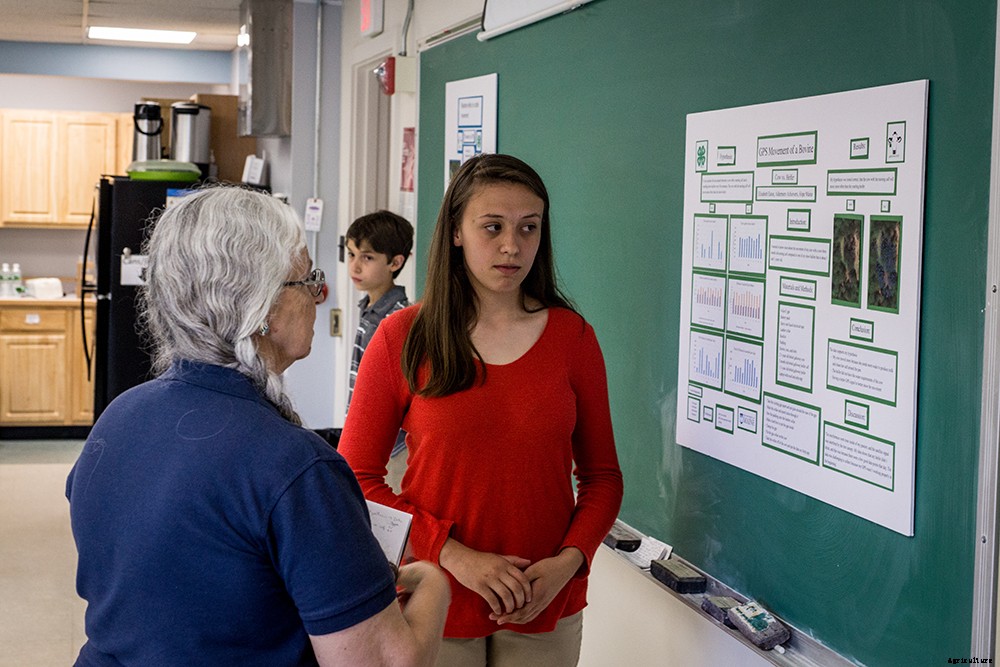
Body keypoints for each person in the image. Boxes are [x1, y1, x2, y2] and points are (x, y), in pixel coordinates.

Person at [66, 186, 449, 667]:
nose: (318, 293)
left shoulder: (120, 417)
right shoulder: (296, 468)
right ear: (262, 307)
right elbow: (387, 663)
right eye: (308, 279)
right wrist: (433, 582)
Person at [339, 154, 624, 666]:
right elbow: (356, 477)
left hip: (545, 606)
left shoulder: (572, 338)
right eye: (492, 227)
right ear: (455, 231)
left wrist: (568, 562)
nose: (512, 246)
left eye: (528, 228)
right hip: (435, 601)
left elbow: (603, 477)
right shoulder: (403, 336)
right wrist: (456, 556)